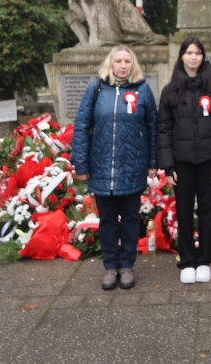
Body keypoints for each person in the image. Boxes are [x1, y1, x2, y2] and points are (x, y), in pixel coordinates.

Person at [71, 45, 157, 291]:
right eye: (118, 61)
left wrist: (153, 162)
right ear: (111, 64)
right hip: (101, 168)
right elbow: (81, 126)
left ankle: (127, 265)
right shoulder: (96, 89)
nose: (122, 65)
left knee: (130, 219)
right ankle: (110, 266)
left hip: (132, 166)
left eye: (127, 61)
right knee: (108, 220)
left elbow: (152, 127)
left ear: (133, 65)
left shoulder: (142, 90)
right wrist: (82, 163)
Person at [157, 37, 211, 284]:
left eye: (197, 53)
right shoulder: (170, 91)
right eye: (189, 53)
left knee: (208, 211)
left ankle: (205, 259)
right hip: (181, 163)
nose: (193, 57)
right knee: (184, 211)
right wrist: (168, 165)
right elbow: (164, 129)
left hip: (209, 161)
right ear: (181, 57)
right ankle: (187, 259)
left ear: (202, 57)